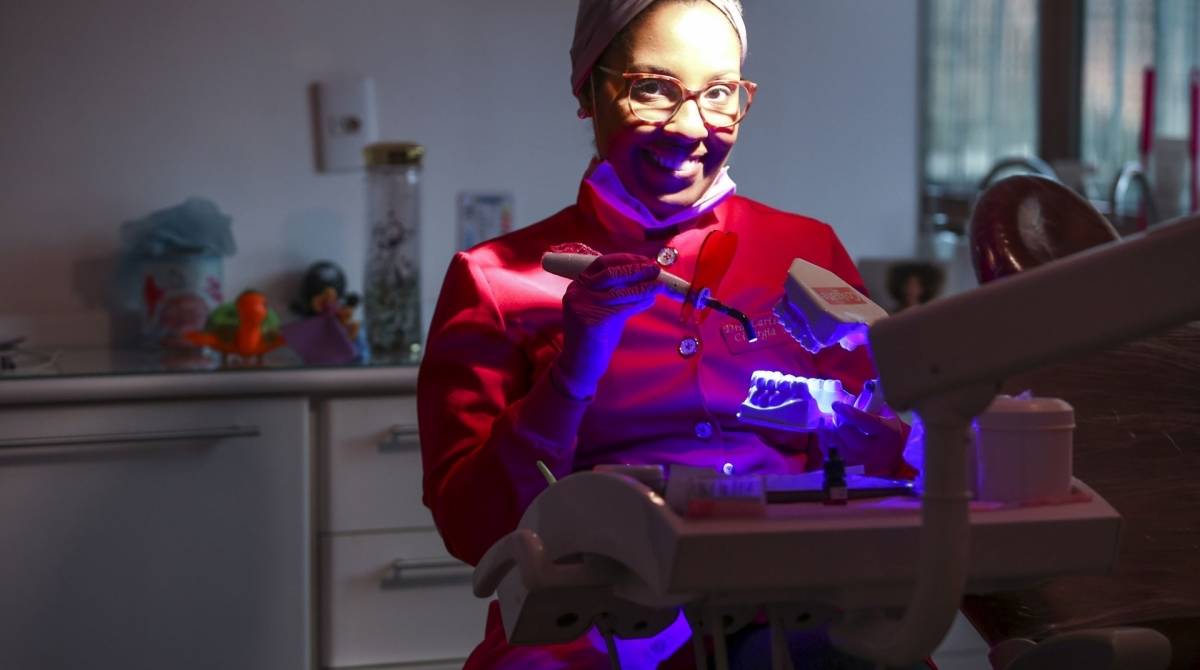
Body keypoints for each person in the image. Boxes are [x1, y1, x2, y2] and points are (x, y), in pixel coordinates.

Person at [418, 1, 920, 667]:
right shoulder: (495, 281)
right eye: (652, 89)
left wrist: (894, 412)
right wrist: (574, 372)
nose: (691, 128)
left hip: (797, 611)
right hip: (589, 626)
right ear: (588, 91)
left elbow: (886, 475)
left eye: (718, 94)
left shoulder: (805, 249)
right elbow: (472, 529)